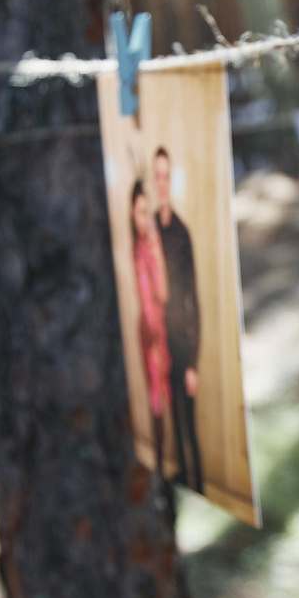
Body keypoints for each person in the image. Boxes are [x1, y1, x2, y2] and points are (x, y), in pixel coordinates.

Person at [153, 145, 204, 493]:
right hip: (160, 344)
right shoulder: (150, 228)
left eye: (166, 176)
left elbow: (192, 298)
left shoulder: (181, 233)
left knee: (189, 423)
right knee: (170, 419)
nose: (161, 182)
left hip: (183, 343)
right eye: (156, 176)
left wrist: (193, 363)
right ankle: (182, 479)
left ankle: (197, 481)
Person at [129, 179, 173, 477]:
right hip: (147, 331)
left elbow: (163, 294)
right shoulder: (136, 249)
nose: (143, 218)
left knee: (165, 393)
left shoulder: (152, 247)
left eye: (147, 212)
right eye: (139, 212)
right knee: (154, 395)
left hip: (160, 327)